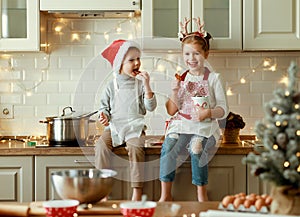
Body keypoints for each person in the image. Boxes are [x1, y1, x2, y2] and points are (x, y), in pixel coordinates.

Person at [159, 17, 229, 202]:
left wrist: (209, 113)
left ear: (206, 54)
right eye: (187, 54)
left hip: (204, 128)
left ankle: (201, 196)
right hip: (181, 126)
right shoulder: (180, 78)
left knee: (196, 148)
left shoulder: (214, 78)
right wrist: (174, 91)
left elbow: (224, 109)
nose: (192, 59)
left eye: (196, 53)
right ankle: (165, 195)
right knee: (169, 145)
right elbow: (171, 111)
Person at [94, 39, 157, 201]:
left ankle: (137, 189)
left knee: (136, 148)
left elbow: (151, 107)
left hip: (134, 127)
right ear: (119, 64)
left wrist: (147, 85)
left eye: (138, 59)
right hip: (115, 128)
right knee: (101, 146)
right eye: (131, 60)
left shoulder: (140, 84)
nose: (137, 63)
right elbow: (104, 109)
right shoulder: (111, 86)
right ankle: (102, 189)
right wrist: (104, 116)